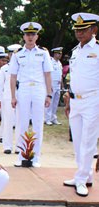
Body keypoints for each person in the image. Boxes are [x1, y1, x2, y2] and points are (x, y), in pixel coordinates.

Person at [63, 12, 99, 197]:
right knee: (77, 140)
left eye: (83, 29)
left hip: (93, 100)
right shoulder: (75, 51)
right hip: (75, 100)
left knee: (88, 141)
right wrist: (68, 96)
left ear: (94, 29)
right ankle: (85, 175)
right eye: (77, 29)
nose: (79, 33)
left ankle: (81, 178)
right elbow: (75, 77)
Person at [10, 22, 53, 168]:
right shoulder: (18, 54)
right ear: (23, 36)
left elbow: (48, 74)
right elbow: (13, 77)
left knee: (37, 123)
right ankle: (21, 156)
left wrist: (49, 94)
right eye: (27, 34)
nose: (30, 37)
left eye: (33, 34)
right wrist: (13, 96)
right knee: (22, 122)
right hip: (23, 89)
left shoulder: (43, 52)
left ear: (37, 36)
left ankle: (35, 157)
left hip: (39, 89)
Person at [0, 44, 20, 154]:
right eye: (11, 54)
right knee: (7, 122)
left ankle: (20, 146)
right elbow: (0, 85)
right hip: (7, 97)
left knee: (20, 122)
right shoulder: (5, 69)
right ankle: (7, 146)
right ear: (9, 55)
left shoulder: (24, 67)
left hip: (21, 96)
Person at [45, 47, 63, 125]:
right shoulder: (50, 62)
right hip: (52, 84)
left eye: (60, 53)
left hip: (58, 85)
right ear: (54, 53)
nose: (60, 55)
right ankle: (47, 118)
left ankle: (53, 117)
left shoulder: (59, 63)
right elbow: (47, 74)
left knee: (55, 102)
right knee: (50, 102)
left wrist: (62, 84)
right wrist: (49, 85)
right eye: (58, 53)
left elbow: (60, 75)